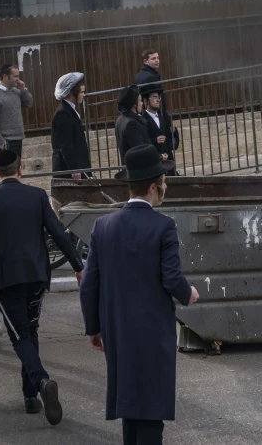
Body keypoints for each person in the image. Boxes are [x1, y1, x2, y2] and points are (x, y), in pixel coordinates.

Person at [80, 144, 200, 445]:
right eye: (163, 180)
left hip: (117, 331)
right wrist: (189, 294)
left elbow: (89, 284)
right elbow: (171, 278)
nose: (166, 185)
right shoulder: (163, 227)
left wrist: (94, 328)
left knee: (131, 409)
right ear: (152, 187)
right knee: (150, 411)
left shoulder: (102, 226)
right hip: (151, 331)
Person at [0, 150, 84, 424]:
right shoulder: (37, 196)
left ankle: (41, 381)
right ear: (21, 169)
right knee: (31, 329)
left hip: (8, 277)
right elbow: (58, 233)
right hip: (37, 276)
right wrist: (78, 265)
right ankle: (30, 397)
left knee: (20, 336)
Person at [0, 63, 33, 158]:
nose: (18, 79)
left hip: (18, 139)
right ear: (5, 76)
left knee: (17, 169)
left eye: (18, 76)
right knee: (11, 170)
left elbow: (28, 103)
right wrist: (1, 142)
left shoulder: (16, 91)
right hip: (7, 141)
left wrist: (23, 90)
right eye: (15, 76)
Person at [51, 72, 91, 179]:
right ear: (72, 92)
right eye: (81, 92)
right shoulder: (63, 113)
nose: (83, 95)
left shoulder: (69, 110)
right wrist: (73, 168)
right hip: (67, 170)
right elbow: (65, 144)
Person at [141, 90, 178, 174]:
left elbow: (169, 139)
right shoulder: (143, 120)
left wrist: (174, 131)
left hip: (168, 161)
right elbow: (142, 142)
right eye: (154, 97)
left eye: (159, 97)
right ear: (146, 101)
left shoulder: (162, 118)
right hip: (155, 162)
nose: (158, 100)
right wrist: (155, 140)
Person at [114, 85, 152, 165]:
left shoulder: (120, 120)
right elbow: (140, 151)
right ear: (134, 104)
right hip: (138, 170)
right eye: (140, 101)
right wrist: (160, 157)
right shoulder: (131, 123)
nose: (142, 104)